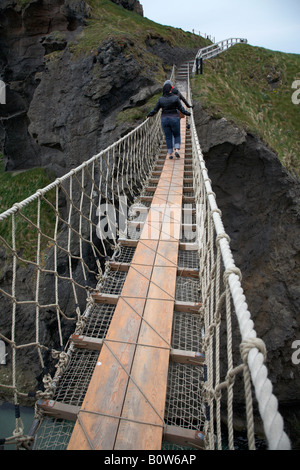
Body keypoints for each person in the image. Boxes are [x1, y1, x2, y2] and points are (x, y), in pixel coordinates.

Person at [147, 82, 191, 159]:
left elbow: (155, 110)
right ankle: (177, 150)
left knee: (168, 137)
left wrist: (149, 115)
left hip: (164, 120)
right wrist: (188, 113)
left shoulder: (161, 99)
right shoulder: (175, 98)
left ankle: (170, 154)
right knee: (176, 134)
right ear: (171, 89)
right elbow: (182, 109)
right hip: (174, 118)